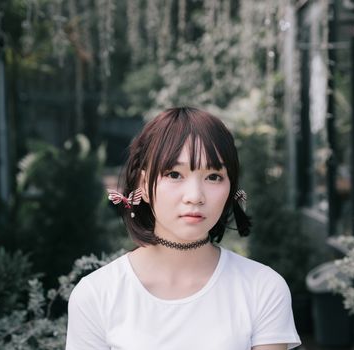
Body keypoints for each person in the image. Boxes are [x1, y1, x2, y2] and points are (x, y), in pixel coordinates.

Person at [65, 107, 301, 350]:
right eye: (175, 174)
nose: (195, 196)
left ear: (230, 187)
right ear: (144, 185)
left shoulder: (262, 288)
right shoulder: (97, 294)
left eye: (213, 176)